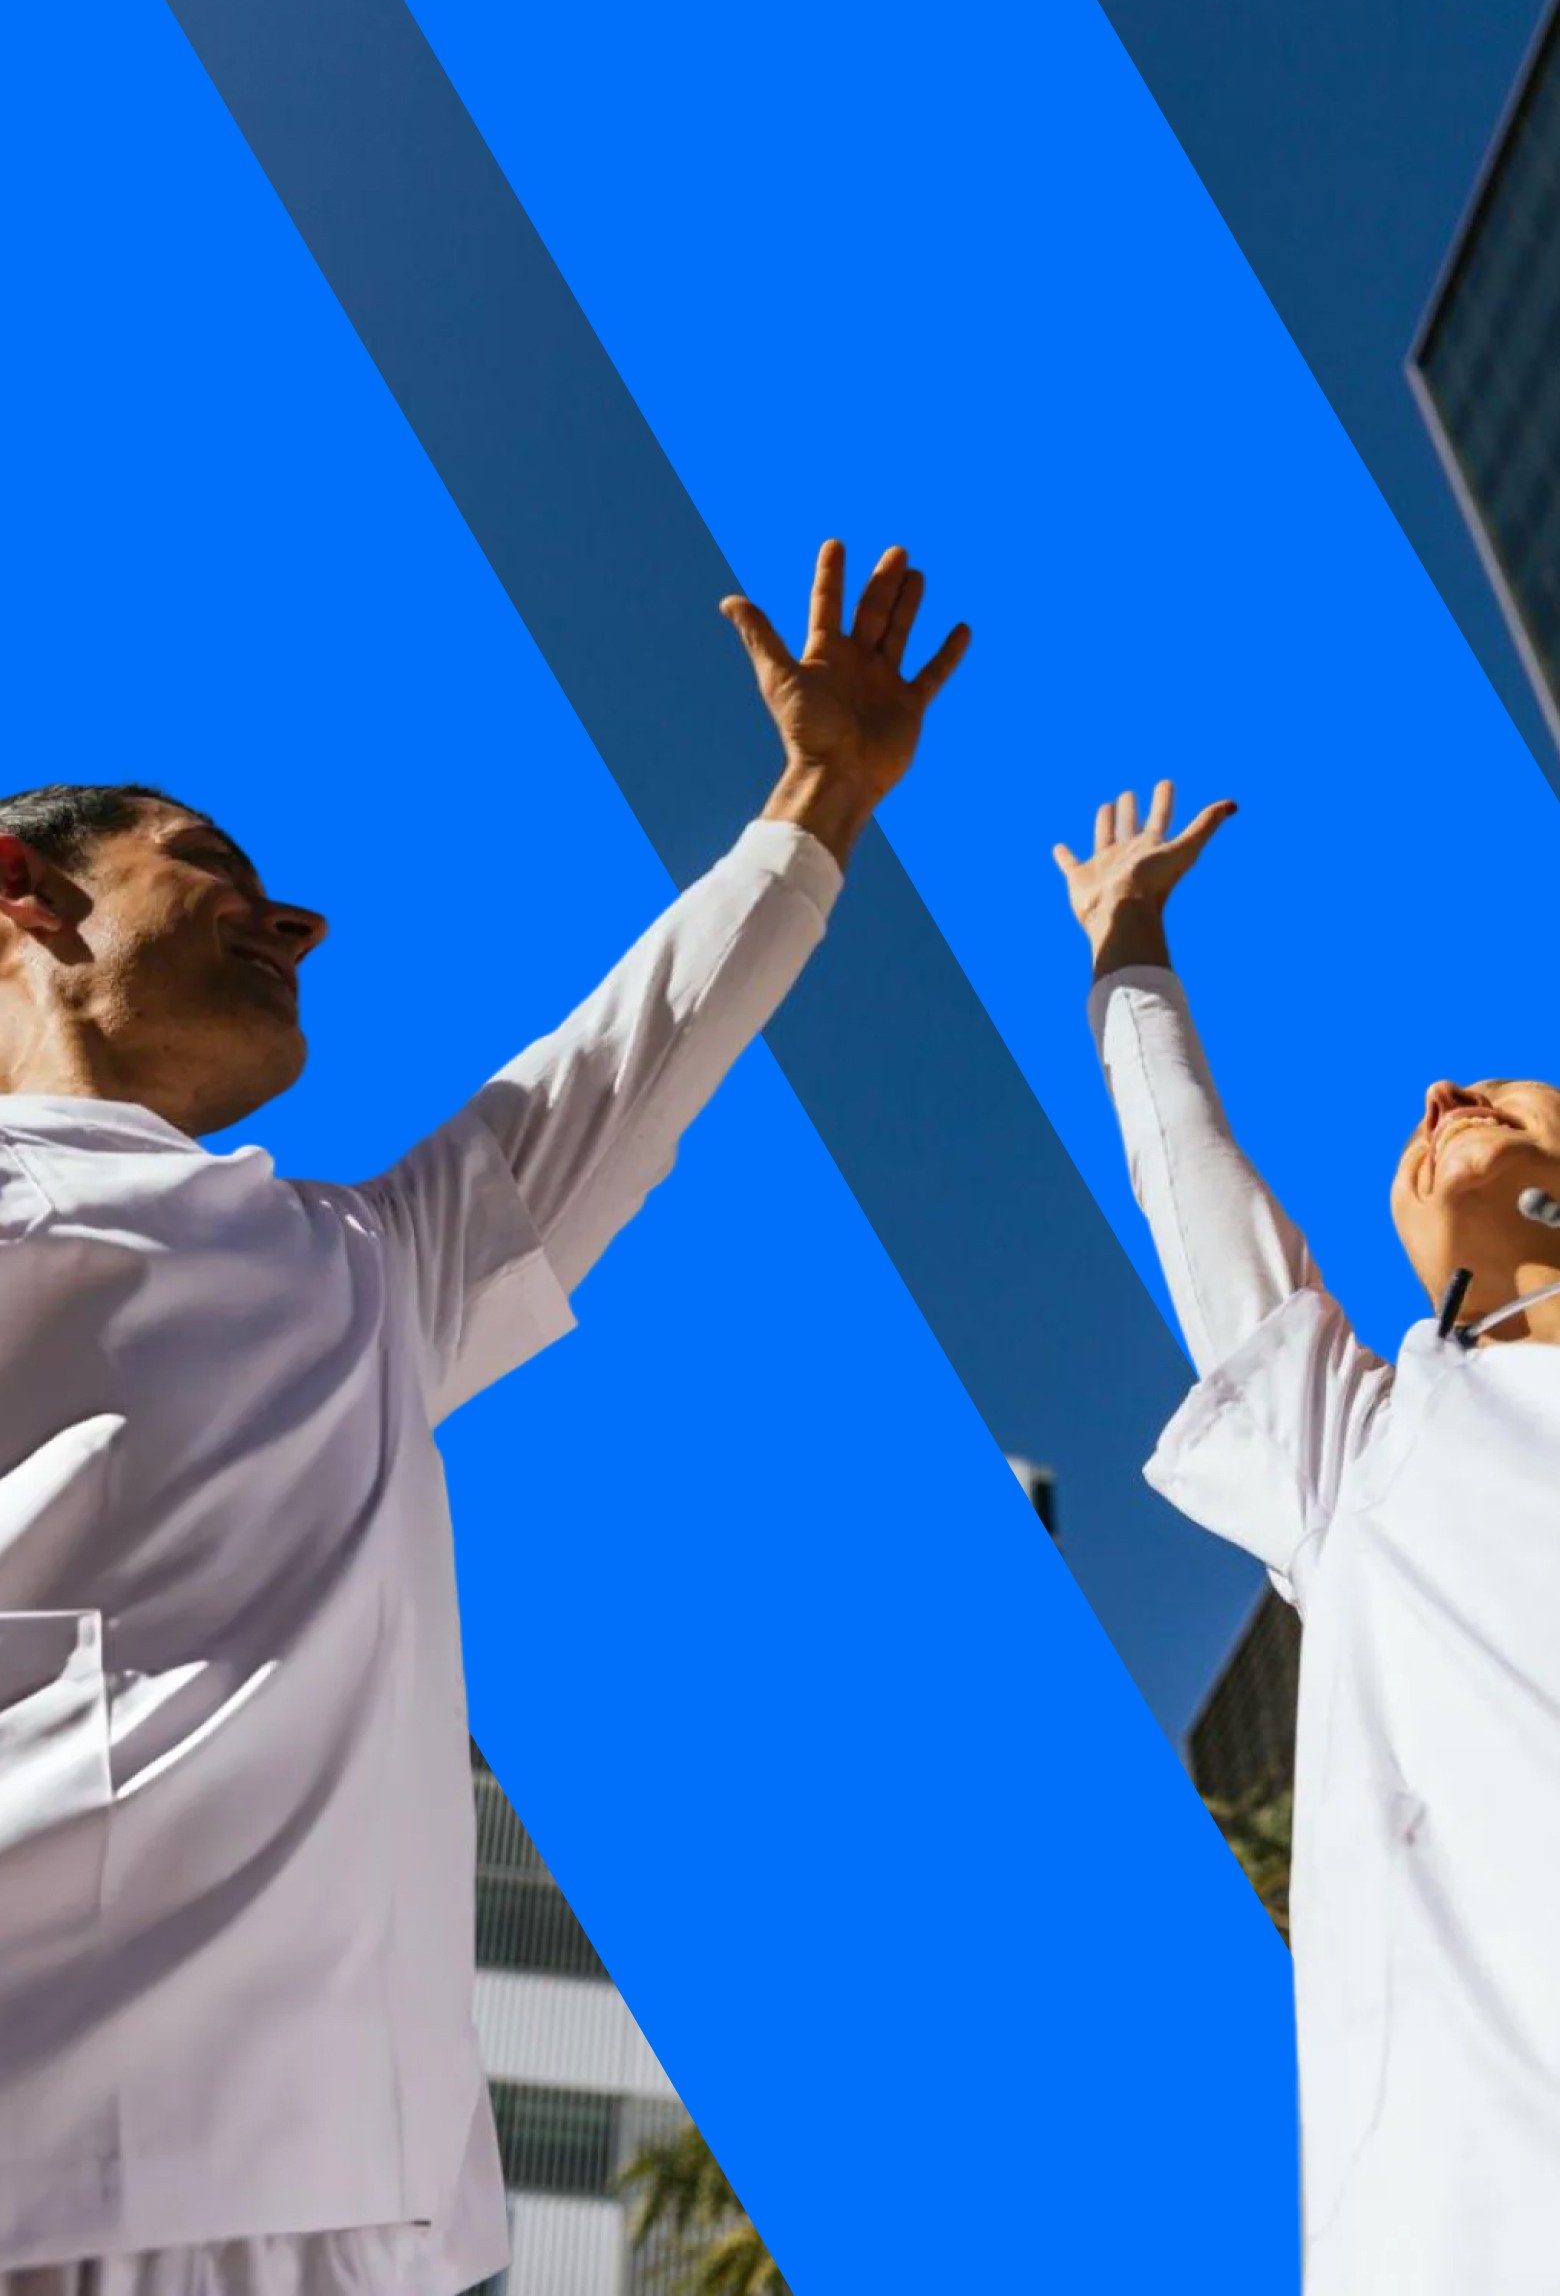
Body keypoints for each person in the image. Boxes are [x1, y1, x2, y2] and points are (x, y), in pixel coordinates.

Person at [0, 541, 970, 2296]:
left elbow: (627, 1062)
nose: (295, 922)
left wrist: (823, 797)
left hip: (347, 2219)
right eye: (209, 862)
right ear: (21, 893)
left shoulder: (359, 1265)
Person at [1055, 781, 1560, 2296]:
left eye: (1510, 1086)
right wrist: (1129, 954)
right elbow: (1201, 1211)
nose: (1443, 1091)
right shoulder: (1367, 1451)